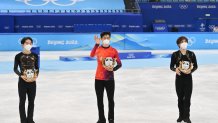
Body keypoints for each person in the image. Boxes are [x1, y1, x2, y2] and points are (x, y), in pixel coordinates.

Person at [90, 32, 122, 123]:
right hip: (98, 79)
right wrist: (96, 44)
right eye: (104, 37)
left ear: (110, 39)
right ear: (101, 39)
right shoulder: (98, 49)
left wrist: (113, 68)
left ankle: (111, 119)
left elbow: (119, 64)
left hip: (110, 79)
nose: (106, 39)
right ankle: (101, 119)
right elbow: (91, 55)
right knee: (99, 100)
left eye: (108, 37)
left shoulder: (113, 50)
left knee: (110, 100)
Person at [170, 36, 198, 123]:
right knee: (180, 98)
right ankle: (181, 115)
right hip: (179, 79)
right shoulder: (175, 54)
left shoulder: (192, 54)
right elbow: (171, 66)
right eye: (182, 42)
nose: (184, 43)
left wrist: (190, 70)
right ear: (178, 44)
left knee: (187, 99)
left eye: (185, 41)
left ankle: (187, 116)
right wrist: (176, 70)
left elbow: (196, 66)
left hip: (188, 79)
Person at [14, 37, 39, 123]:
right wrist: (21, 76)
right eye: (26, 43)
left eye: (30, 43)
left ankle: (30, 119)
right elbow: (15, 69)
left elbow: (37, 68)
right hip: (22, 82)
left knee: (31, 102)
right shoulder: (18, 56)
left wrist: (36, 76)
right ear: (22, 44)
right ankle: (23, 120)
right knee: (22, 101)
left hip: (32, 82)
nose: (29, 45)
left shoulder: (35, 56)